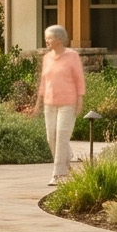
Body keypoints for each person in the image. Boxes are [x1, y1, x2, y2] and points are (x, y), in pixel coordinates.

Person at [39, 24, 86, 183]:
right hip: (49, 103)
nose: (47, 41)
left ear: (59, 39)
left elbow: (79, 79)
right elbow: (44, 82)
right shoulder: (47, 58)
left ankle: (58, 173)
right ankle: (66, 159)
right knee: (51, 137)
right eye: (46, 38)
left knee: (61, 136)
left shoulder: (72, 56)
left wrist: (80, 100)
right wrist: (37, 103)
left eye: (49, 38)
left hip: (68, 103)